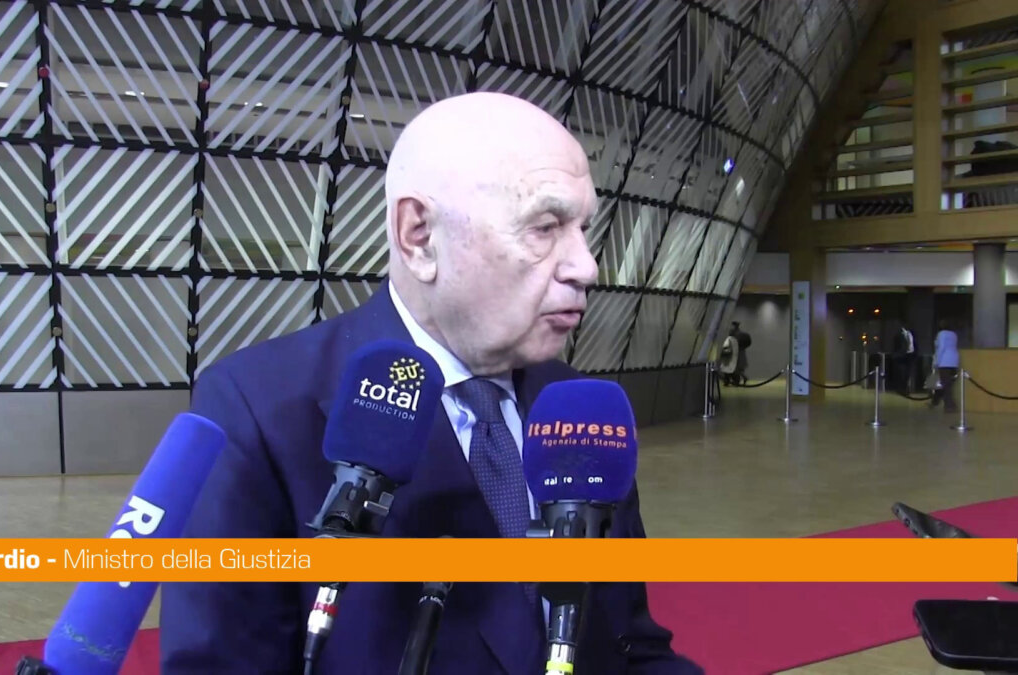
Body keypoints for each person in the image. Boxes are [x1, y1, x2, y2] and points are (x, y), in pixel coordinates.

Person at [159, 92, 700, 674]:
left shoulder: (580, 411)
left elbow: (630, 646)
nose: (586, 266)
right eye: (545, 227)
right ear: (419, 236)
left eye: (583, 228)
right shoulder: (258, 412)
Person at [929, 319, 960, 413]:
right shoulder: (954, 334)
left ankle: (949, 405)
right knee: (947, 384)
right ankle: (935, 401)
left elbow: (941, 348)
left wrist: (936, 362)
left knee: (945, 385)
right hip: (954, 361)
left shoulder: (941, 334)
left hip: (944, 361)